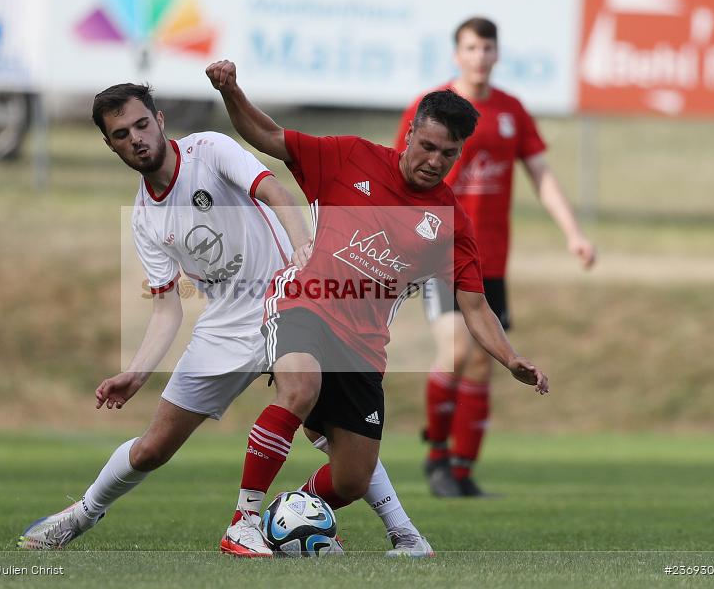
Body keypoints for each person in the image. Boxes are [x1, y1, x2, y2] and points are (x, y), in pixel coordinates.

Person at [17, 82, 433, 557]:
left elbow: (274, 189)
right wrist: (137, 371)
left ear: (160, 121)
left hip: (293, 300)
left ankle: (286, 524)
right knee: (153, 448)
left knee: (325, 425)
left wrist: (302, 248)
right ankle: (81, 515)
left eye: (141, 124)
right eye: (120, 134)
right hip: (227, 325)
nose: (135, 138)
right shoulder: (143, 218)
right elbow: (166, 306)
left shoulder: (209, 150)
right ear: (110, 144)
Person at [206, 59, 549, 558]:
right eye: (427, 146)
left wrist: (510, 357)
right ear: (409, 134)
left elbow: (475, 306)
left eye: (448, 154)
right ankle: (244, 521)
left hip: (363, 345)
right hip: (304, 303)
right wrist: (231, 90)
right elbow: (267, 134)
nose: (434, 160)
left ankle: (298, 511)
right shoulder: (349, 157)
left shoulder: (452, 221)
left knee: (350, 478)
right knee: (300, 385)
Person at [393, 17, 596, 498]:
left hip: (492, 260)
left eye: (487, 48)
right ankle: (437, 457)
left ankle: (462, 470)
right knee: (457, 351)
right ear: (457, 54)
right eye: (470, 47)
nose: (479, 56)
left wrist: (573, 234)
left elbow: (541, 175)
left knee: (484, 363)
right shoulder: (430, 109)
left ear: (497, 54)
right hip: (437, 251)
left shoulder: (511, 111)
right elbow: (398, 170)